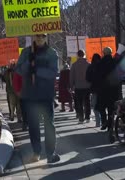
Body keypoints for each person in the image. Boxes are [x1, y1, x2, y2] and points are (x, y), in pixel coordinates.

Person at [15, 34, 60, 163]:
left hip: (46, 94)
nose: (40, 38)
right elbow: (18, 70)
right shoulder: (26, 52)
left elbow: (53, 72)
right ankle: (36, 151)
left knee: (49, 125)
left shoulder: (52, 53)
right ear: (34, 36)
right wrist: (29, 63)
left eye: (43, 36)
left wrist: (37, 69)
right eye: (38, 36)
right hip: (31, 94)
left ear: (46, 37)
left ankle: (50, 153)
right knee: (33, 125)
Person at [96, 47, 121, 143]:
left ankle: (104, 121)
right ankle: (110, 125)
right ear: (111, 53)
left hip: (103, 89)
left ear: (103, 53)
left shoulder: (100, 63)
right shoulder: (115, 62)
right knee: (112, 108)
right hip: (114, 89)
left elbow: (97, 76)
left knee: (102, 106)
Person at [70, 50, 91, 123]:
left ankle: (81, 118)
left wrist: (71, 86)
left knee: (79, 103)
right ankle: (87, 117)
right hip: (87, 86)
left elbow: (71, 76)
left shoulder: (74, 65)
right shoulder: (88, 64)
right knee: (87, 102)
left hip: (78, 86)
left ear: (77, 55)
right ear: (84, 54)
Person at [86, 53, 102, 127]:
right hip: (103, 88)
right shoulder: (102, 66)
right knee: (102, 105)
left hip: (94, 89)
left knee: (95, 106)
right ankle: (103, 121)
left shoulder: (91, 67)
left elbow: (87, 78)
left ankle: (98, 122)